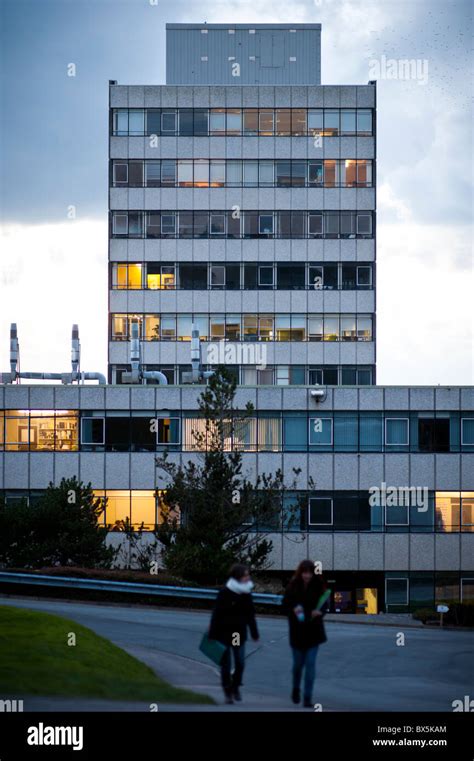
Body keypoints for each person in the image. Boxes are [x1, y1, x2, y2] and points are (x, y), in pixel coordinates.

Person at [209, 563, 259, 704]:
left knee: (240, 662)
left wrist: (254, 632)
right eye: (245, 575)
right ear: (237, 577)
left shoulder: (246, 593)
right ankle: (227, 692)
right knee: (226, 664)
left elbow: (250, 614)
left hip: (238, 634)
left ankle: (235, 686)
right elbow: (216, 614)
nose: (248, 577)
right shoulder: (225, 592)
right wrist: (213, 634)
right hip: (224, 633)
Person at [282, 559, 329, 708]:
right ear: (300, 572)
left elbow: (325, 606)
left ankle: (307, 697)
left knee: (310, 665)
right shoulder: (292, 587)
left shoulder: (319, 586)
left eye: (309, 573)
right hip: (297, 632)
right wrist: (293, 610)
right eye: (305, 573)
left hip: (314, 631)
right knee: (298, 665)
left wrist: (319, 612)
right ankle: (296, 689)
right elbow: (285, 605)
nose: (307, 576)